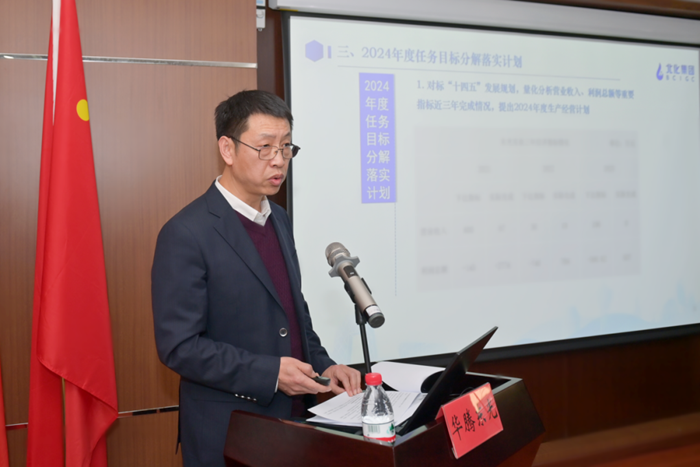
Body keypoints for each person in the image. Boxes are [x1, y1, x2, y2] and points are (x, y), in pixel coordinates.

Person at [151, 90, 361, 467]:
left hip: (294, 426)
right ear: (227, 149)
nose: (278, 160)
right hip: (228, 433)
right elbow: (180, 347)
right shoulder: (186, 233)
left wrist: (324, 366)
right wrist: (270, 374)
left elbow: (292, 314)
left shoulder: (278, 218)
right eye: (265, 147)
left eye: (286, 147)